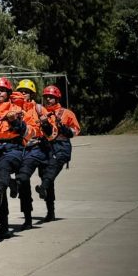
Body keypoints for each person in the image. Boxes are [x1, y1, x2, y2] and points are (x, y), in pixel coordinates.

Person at [0, 77, 39, 242]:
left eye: (2, 90)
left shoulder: (18, 110)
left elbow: (32, 132)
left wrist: (16, 122)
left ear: (8, 93)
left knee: (3, 171)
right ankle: (3, 226)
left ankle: (27, 216)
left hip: (13, 148)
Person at [36, 85, 80, 222]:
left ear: (57, 98)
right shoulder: (40, 112)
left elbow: (76, 130)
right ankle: (50, 211)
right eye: (46, 97)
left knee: (51, 171)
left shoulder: (66, 113)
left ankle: (43, 187)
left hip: (61, 146)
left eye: (51, 97)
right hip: (45, 146)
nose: (48, 99)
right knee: (45, 175)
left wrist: (66, 130)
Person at [12, 80, 47, 230]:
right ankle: (27, 218)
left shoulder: (38, 109)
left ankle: (50, 210)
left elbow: (50, 128)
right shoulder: (13, 108)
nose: (23, 93)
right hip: (20, 148)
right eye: (21, 91)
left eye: (26, 91)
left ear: (32, 94)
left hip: (36, 147)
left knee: (32, 177)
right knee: (23, 184)